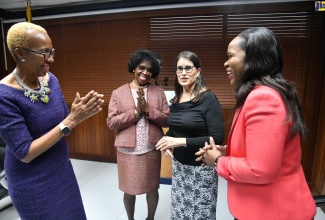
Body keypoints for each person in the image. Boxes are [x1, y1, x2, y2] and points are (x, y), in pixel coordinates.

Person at [195, 27, 316, 220]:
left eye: (230, 56)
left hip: (274, 212)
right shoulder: (261, 94)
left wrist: (218, 160)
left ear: (253, 59)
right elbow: (265, 151)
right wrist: (228, 151)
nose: (225, 63)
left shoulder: (263, 98)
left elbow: (260, 170)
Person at [0, 22, 104, 219]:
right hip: (31, 182)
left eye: (52, 51)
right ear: (21, 53)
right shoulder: (4, 95)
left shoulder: (50, 80)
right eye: (44, 53)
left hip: (61, 169)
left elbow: (64, 124)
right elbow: (25, 153)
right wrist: (71, 121)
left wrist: (77, 115)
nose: (52, 59)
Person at [156, 51, 224, 219]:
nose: (183, 73)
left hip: (201, 169)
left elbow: (217, 138)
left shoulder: (208, 99)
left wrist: (178, 141)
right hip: (179, 168)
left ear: (198, 71)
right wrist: (167, 141)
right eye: (180, 69)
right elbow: (176, 128)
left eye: (188, 68)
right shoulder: (178, 98)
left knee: (199, 214)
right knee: (180, 213)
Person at [106, 50, 169, 220]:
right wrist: (135, 113)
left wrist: (149, 111)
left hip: (151, 149)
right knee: (128, 189)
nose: (145, 73)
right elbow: (111, 122)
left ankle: (150, 218)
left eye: (149, 70)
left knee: (152, 187)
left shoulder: (158, 92)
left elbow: (167, 120)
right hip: (127, 151)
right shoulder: (118, 93)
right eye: (142, 68)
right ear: (134, 68)